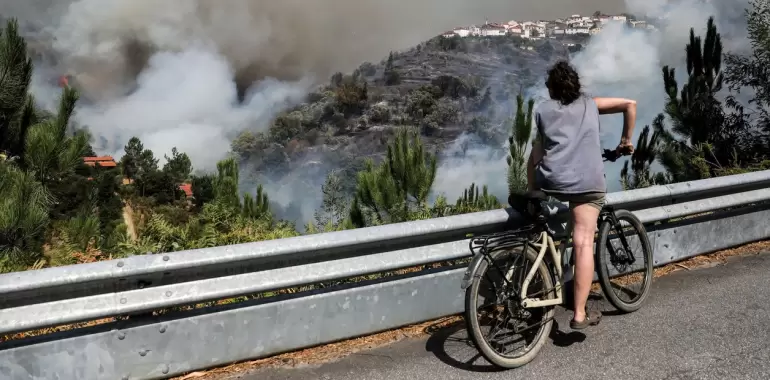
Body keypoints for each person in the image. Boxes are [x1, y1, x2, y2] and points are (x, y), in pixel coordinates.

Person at [526, 60, 636, 330]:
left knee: (559, 232)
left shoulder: (542, 110)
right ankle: (578, 314)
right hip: (587, 184)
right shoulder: (590, 104)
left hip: (551, 181)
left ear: (551, 89)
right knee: (584, 241)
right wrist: (625, 141)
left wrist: (533, 189)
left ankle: (551, 275)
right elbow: (630, 104)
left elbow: (535, 156)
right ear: (576, 86)